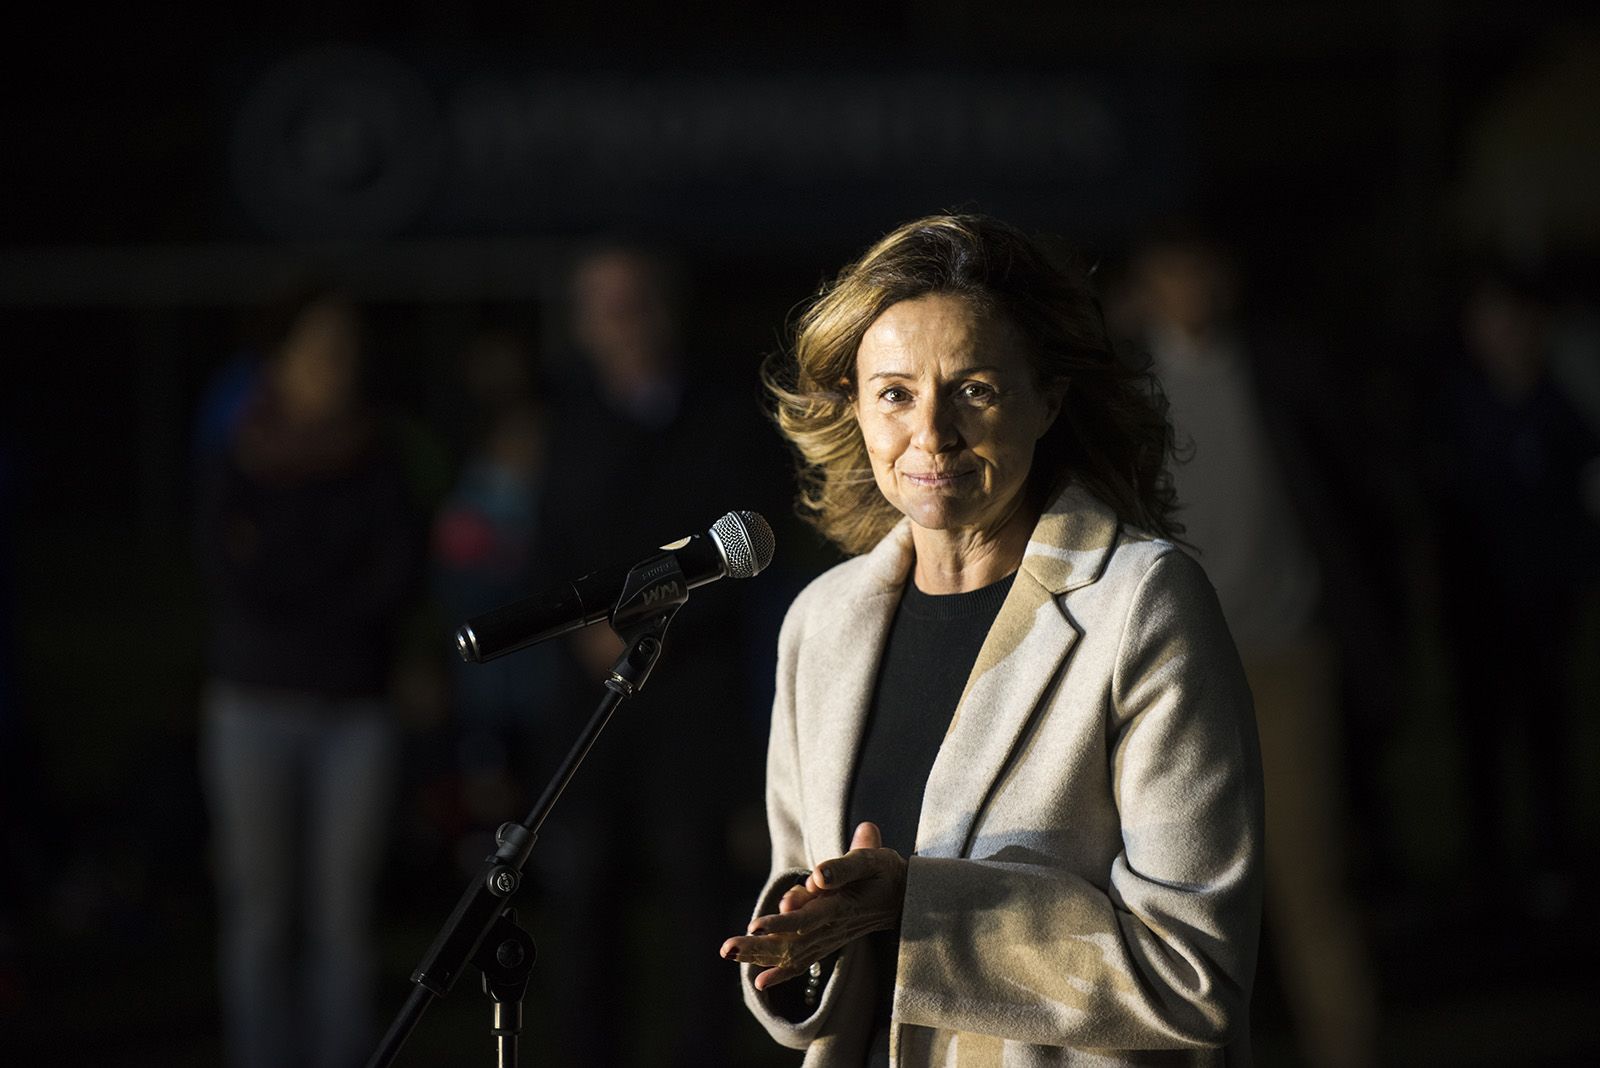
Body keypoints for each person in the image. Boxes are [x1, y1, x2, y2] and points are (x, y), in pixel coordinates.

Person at [720, 214, 1264, 1066]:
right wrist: (802, 946)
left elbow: (1193, 976)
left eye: (973, 389)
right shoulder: (821, 624)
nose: (930, 434)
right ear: (855, 408)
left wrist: (919, 908)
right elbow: (815, 920)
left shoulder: (1143, 606)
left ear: (1048, 399)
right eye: (895, 393)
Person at [1118, 230, 1380, 1068]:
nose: (1190, 283)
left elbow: (1346, 489)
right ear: (1146, 283)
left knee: (1310, 885)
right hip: (1177, 676)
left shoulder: (1279, 368)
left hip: (1284, 653)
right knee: (1191, 902)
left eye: (1202, 265)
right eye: (1171, 267)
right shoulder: (1121, 386)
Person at [195, 286, 424, 1068]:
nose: (336, 366)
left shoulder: (377, 455)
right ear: (283, 355)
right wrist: (326, 582)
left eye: (347, 350)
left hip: (353, 706)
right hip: (254, 704)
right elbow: (231, 573)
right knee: (261, 912)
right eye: (320, 347)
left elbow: (395, 573)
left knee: (343, 913)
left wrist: (296, 576)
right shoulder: (244, 450)